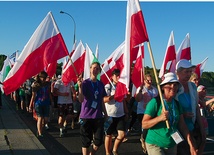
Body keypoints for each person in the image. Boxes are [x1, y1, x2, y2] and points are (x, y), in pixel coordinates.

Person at [142, 72, 197, 155]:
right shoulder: (155, 102)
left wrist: (191, 145)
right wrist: (159, 118)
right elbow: (144, 124)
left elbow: (182, 126)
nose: (173, 87)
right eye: (170, 84)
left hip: (172, 143)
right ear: (163, 87)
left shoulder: (177, 104)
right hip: (155, 143)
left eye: (175, 85)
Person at [175, 59, 206, 155]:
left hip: (192, 126)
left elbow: (196, 107)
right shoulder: (174, 87)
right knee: (181, 151)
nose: (188, 74)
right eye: (186, 72)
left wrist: (202, 129)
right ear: (178, 73)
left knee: (195, 150)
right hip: (177, 129)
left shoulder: (192, 86)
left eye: (190, 71)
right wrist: (183, 114)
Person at [77, 62, 108, 155]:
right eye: (94, 68)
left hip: (98, 116)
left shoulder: (100, 84)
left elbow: (102, 100)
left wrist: (105, 113)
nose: (95, 70)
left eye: (97, 69)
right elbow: (81, 100)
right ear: (90, 69)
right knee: (86, 142)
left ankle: (92, 153)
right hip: (86, 116)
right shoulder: (85, 83)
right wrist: (80, 87)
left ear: (99, 71)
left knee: (98, 141)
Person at [104, 69, 129, 155]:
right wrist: (113, 96)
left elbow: (124, 101)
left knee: (122, 135)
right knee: (109, 135)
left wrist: (126, 112)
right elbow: (104, 99)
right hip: (110, 114)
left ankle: (114, 149)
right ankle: (108, 152)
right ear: (112, 76)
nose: (118, 77)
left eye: (119, 75)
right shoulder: (108, 87)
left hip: (120, 114)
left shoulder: (122, 86)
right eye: (116, 75)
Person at [135, 74, 158, 149]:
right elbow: (137, 99)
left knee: (151, 128)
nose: (150, 82)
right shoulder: (141, 89)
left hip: (151, 112)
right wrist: (141, 91)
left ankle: (148, 142)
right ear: (144, 81)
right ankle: (144, 140)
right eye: (148, 80)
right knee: (145, 128)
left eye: (151, 80)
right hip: (142, 111)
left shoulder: (154, 90)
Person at [29, 71, 52, 138]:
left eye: (45, 77)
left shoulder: (48, 84)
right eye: (42, 77)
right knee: (40, 118)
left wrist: (51, 101)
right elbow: (33, 96)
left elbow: (49, 93)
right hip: (38, 103)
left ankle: (41, 128)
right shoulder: (36, 85)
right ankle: (39, 133)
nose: (44, 79)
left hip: (46, 103)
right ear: (39, 77)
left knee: (46, 119)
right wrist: (30, 105)